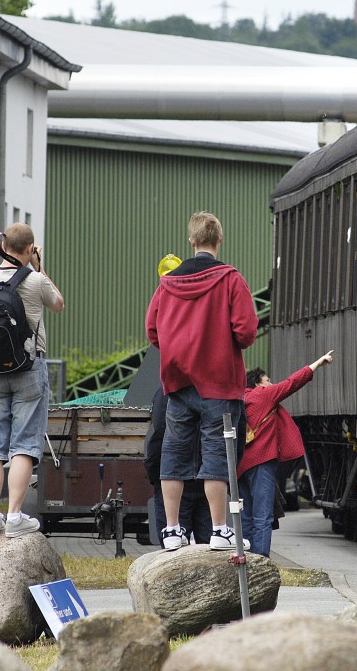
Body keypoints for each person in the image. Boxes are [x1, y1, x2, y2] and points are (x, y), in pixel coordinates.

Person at [146, 211, 258, 551]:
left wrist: (178, 349)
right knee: (217, 455)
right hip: (220, 386)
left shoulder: (167, 284)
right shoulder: (230, 279)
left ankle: (171, 531)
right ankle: (220, 530)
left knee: (174, 454)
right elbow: (247, 331)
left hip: (179, 385)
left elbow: (152, 331)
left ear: (191, 241)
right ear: (218, 240)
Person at [0, 223, 65, 539]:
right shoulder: (35, 280)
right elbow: (58, 304)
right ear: (29, 250)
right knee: (25, 444)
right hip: (28, 368)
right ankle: (14, 516)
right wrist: (39, 267)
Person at [239, 352, 332, 557]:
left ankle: (244, 561)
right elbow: (293, 382)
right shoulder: (264, 395)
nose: (272, 384)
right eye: (268, 380)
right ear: (258, 384)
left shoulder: (239, 399)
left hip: (239, 467)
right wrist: (317, 363)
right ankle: (260, 561)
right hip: (261, 462)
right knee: (262, 516)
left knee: (244, 515)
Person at [143, 386, 212, 545]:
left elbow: (159, 429)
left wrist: (155, 472)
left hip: (174, 475)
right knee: (211, 547)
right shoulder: (215, 390)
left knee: (173, 546)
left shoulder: (168, 390)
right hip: (209, 475)